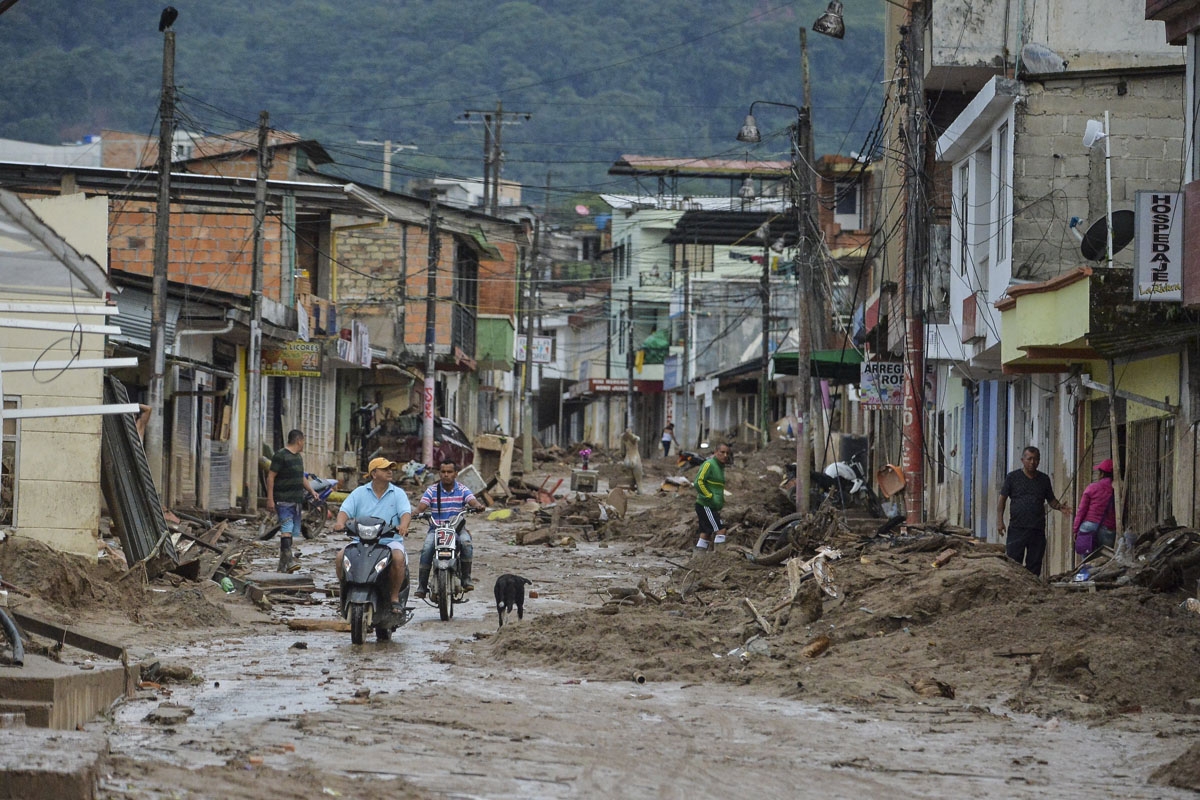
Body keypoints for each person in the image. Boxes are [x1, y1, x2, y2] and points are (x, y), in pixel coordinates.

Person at [334, 457, 413, 613]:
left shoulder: (398, 493)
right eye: (385, 469)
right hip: (361, 540)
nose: (390, 471)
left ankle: (394, 598)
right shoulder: (359, 493)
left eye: (390, 468)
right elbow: (345, 510)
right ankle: (344, 594)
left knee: (398, 557)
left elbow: (405, 512)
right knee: (340, 557)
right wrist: (340, 523)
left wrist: (403, 525)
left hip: (389, 540)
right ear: (374, 473)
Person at [413, 460, 485, 598]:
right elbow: (421, 506)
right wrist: (414, 513)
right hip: (436, 529)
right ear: (439, 474)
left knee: (466, 543)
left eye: (449, 472)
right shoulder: (432, 490)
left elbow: (472, 500)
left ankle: (466, 578)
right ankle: (422, 586)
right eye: (443, 472)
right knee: (427, 548)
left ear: (456, 474)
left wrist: (478, 506)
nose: (446, 475)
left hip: (457, 529)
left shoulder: (462, 489)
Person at [996, 446, 1072, 575]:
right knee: (1014, 563)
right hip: (1017, 528)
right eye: (1029, 459)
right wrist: (1000, 521)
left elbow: (1051, 500)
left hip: (1037, 529)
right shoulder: (1012, 477)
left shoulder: (1044, 479)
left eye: (1036, 459)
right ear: (1022, 460)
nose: (1032, 462)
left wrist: (1060, 507)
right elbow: (1002, 499)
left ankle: (1032, 592)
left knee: (1035, 564)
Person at [266, 429, 321, 573]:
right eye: (303, 441)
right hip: (282, 500)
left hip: (296, 501)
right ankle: (289, 561)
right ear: (299, 440)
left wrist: (312, 491)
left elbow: (301, 477)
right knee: (286, 529)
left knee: (290, 531)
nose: (303, 444)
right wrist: (270, 499)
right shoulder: (280, 456)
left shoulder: (298, 458)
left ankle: (281, 567)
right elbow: (270, 477)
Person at [1073, 458, 1117, 555]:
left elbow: (1081, 511)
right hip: (1108, 530)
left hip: (1089, 527)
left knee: (1087, 562)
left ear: (1101, 474)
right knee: (1104, 560)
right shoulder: (1117, 490)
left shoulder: (1092, 487)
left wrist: (1075, 529)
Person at [693, 442, 732, 552]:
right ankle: (719, 559)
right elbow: (698, 481)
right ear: (715, 452)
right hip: (706, 505)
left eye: (727, 453)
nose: (725, 455)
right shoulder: (709, 464)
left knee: (705, 533)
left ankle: (698, 560)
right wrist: (708, 496)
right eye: (722, 452)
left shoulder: (720, 467)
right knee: (721, 530)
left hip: (711, 506)